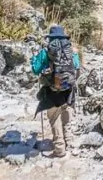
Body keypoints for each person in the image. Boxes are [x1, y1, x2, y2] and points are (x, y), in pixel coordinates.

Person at [31, 25, 81, 158]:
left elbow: (36, 70)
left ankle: (59, 148)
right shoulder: (71, 50)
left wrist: (34, 59)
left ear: (50, 37)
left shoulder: (46, 51)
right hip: (68, 89)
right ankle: (69, 141)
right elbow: (76, 66)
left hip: (52, 89)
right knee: (66, 113)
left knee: (54, 117)